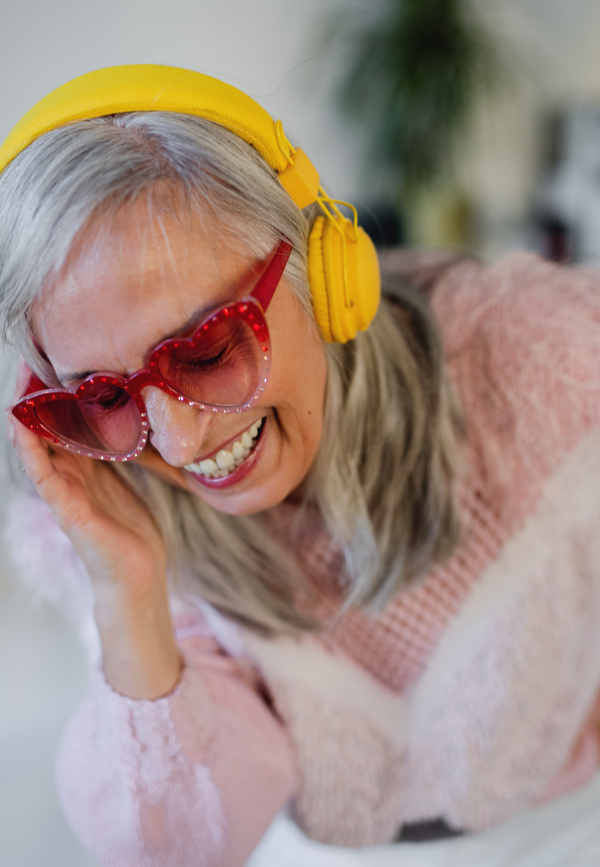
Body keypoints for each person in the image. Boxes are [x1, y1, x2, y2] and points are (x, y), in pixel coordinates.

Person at [2, 64, 600, 867]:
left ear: (326, 272)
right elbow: (180, 845)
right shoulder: (106, 493)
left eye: (209, 347)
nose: (177, 445)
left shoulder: (545, 365)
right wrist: (129, 592)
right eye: (106, 394)